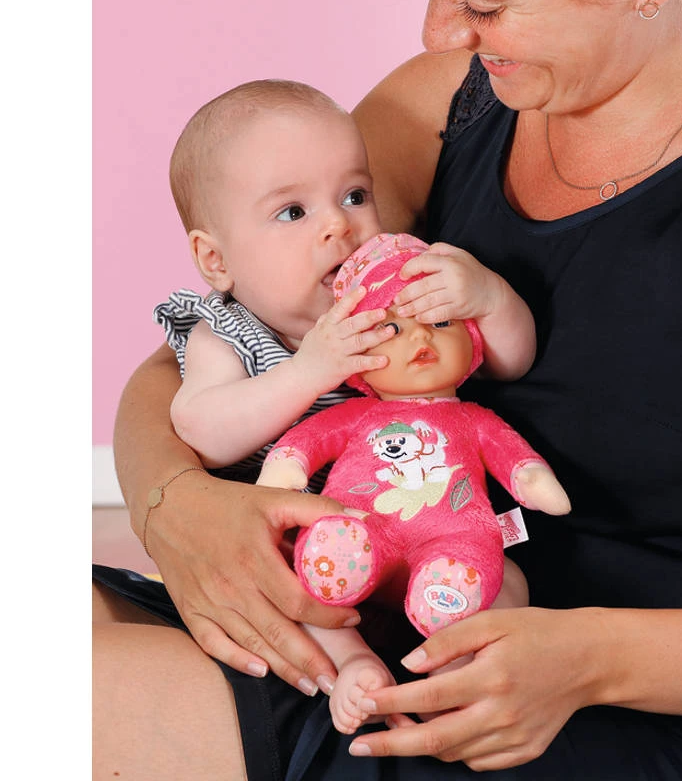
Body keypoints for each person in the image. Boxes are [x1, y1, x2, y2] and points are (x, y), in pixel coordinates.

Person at [93, 0, 682, 778]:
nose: (439, 31)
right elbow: (201, 348)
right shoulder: (443, 105)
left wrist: (588, 660)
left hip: (647, 716)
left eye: (482, 3)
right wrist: (174, 507)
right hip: (395, 631)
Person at [134, 80, 539, 733]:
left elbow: (507, 361)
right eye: (292, 212)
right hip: (313, 552)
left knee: (507, 578)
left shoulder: (397, 302)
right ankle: (354, 667)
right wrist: (309, 370)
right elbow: (201, 428)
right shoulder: (229, 332)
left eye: (355, 195)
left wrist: (489, 299)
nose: (339, 225)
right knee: (284, 592)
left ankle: (463, 668)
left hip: (423, 531)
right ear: (216, 259)